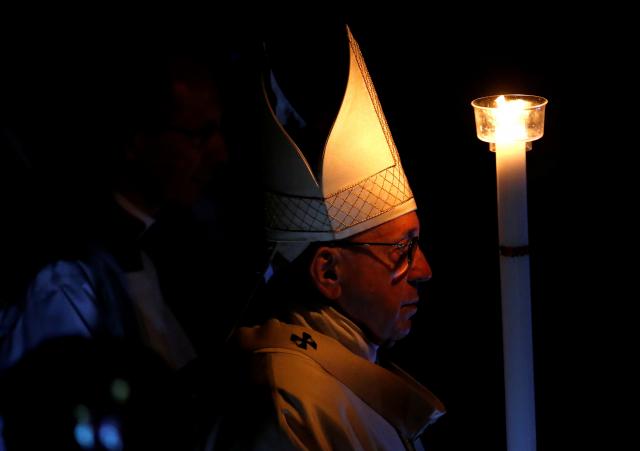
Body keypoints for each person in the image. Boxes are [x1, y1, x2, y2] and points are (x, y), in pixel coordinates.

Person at [205, 25, 444, 451]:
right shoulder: (287, 401)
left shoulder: (348, 372)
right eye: (402, 248)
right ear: (328, 271)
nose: (423, 270)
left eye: (417, 244)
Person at [0, 41, 247, 373]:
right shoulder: (66, 280)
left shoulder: (158, 252)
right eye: (199, 135)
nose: (220, 155)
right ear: (135, 140)